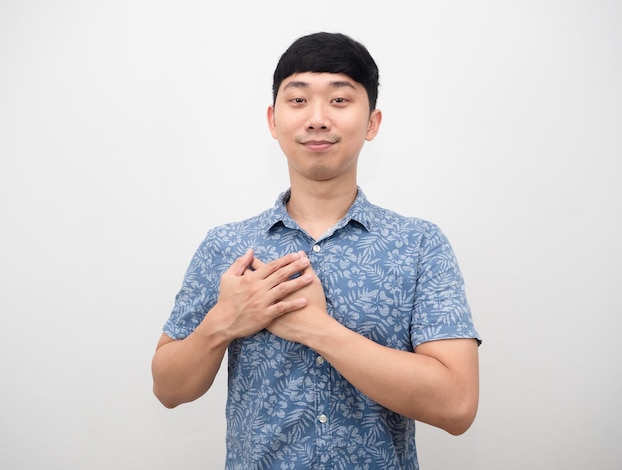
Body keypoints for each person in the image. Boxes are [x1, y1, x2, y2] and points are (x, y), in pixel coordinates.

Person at [152, 32, 481, 469]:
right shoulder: (227, 247)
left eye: (340, 100)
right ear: (273, 120)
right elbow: (168, 389)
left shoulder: (419, 244)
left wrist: (317, 330)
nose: (318, 119)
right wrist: (224, 322)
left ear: (372, 122)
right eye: (299, 100)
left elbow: (457, 405)